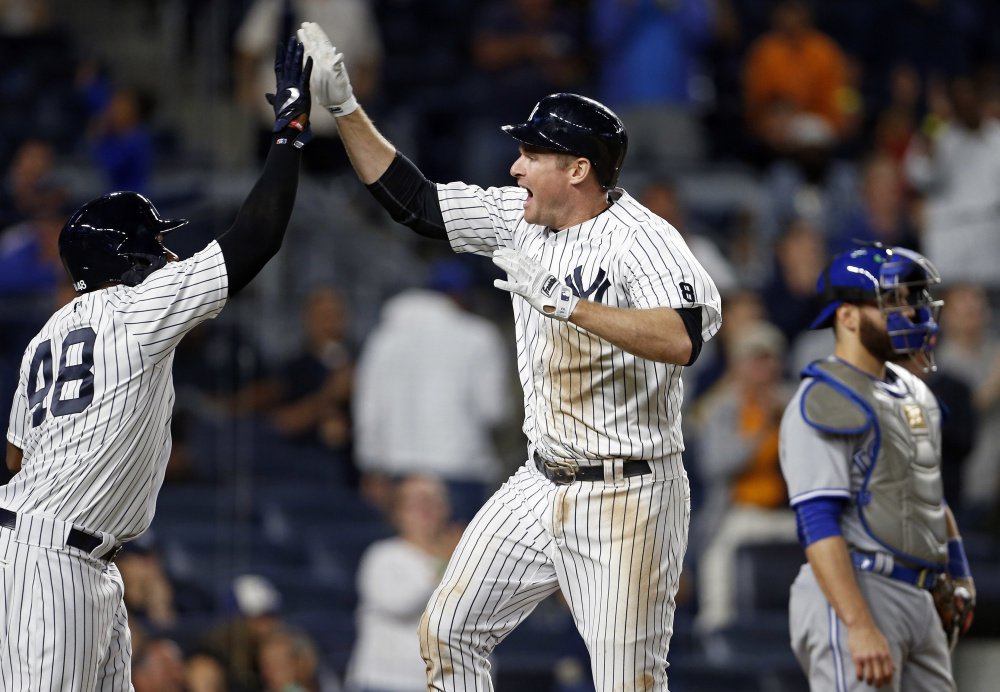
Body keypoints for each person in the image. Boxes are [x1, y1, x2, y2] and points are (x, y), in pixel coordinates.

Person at [297, 21, 723, 691]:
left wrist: (569, 307)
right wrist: (346, 110)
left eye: (532, 154)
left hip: (630, 494)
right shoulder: (516, 219)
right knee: (449, 631)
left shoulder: (645, 240)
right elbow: (415, 203)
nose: (516, 165)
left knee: (626, 683)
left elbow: (684, 338)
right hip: (540, 479)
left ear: (578, 169)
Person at [0, 38, 313, 689]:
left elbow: (15, 459)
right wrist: (289, 133)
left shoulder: (47, 335)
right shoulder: (137, 310)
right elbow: (256, 237)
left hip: (66, 556)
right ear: (132, 258)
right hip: (52, 560)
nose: (171, 259)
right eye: (158, 247)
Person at [778, 243, 976, 689]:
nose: (911, 313)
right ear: (847, 317)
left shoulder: (913, 390)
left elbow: (924, 490)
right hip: (857, 589)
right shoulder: (824, 396)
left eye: (910, 300)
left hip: (918, 595)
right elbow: (817, 520)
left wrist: (958, 571)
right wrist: (858, 623)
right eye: (893, 301)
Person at [352, 257, 513, 522]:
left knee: (409, 559)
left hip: (398, 470)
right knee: (458, 561)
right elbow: (494, 410)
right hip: (460, 469)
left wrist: (371, 465)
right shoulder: (480, 336)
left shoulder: (385, 336)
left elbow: (368, 407)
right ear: (463, 295)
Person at [346, 475, 460, 692]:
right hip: (386, 682)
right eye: (416, 503)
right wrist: (445, 562)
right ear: (398, 513)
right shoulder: (382, 556)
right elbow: (400, 603)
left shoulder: (463, 562)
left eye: (433, 501)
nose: (426, 509)